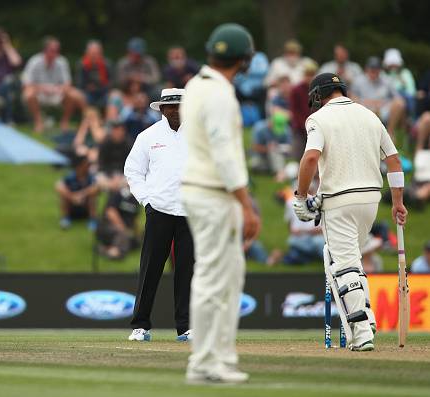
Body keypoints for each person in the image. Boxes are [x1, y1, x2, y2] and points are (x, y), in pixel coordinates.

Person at [293, 72, 407, 352]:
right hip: (370, 199)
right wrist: (397, 202)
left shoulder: (318, 119)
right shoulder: (370, 115)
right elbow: (394, 160)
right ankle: (367, 318)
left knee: (343, 265)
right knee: (352, 261)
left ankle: (360, 331)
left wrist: (301, 195)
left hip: (339, 200)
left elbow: (310, 157)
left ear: (318, 95)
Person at [180, 23, 261, 384]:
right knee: (214, 277)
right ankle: (203, 363)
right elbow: (224, 153)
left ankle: (222, 356)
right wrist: (246, 203)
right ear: (244, 60)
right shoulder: (219, 94)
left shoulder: (197, 86)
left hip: (206, 191)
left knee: (229, 277)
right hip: (212, 193)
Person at [124, 88, 194, 343]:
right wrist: (147, 200)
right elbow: (133, 171)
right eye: (170, 106)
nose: (175, 110)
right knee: (150, 269)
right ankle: (140, 325)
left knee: (187, 270)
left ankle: (185, 327)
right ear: (162, 109)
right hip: (159, 211)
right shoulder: (148, 136)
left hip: (190, 211)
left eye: (179, 105)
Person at [22, 36, 86, 133]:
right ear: (45, 50)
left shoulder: (62, 61)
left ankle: (68, 122)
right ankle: (38, 122)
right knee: (28, 94)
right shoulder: (34, 61)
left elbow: (68, 84)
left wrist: (57, 89)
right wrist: (43, 88)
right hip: (39, 94)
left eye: (57, 50)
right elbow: (26, 84)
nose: (55, 53)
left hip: (57, 93)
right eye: (52, 50)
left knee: (76, 95)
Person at [351, 56, 406, 138]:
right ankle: (359, 134)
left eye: (376, 69)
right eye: (371, 69)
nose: (373, 72)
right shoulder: (358, 80)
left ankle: (390, 133)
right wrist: (370, 104)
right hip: (364, 109)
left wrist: (383, 104)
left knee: (399, 103)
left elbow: (398, 97)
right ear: (366, 69)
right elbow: (352, 97)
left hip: (384, 110)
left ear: (380, 70)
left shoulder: (387, 80)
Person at [55, 155, 99, 230]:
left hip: (85, 207)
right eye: (86, 164)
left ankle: (92, 220)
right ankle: (66, 218)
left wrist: (81, 195)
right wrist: (72, 196)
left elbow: (96, 187)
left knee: (92, 195)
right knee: (63, 196)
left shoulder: (91, 177)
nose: (88, 166)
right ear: (80, 166)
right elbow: (58, 186)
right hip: (72, 206)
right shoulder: (70, 177)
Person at [96, 185, 139, 260]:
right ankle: (116, 252)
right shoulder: (117, 194)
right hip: (107, 226)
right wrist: (122, 227)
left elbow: (134, 219)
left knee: (136, 241)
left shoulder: (136, 200)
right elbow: (110, 212)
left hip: (123, 230)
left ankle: (105, 249)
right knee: (122, 234)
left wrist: (136, 233)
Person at [289, 60, 318, 160]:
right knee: (299, 155)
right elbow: (294, 110)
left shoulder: (317, 90)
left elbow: (317, 108)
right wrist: (303, 124)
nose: (309, 78)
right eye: (307, 74)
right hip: (299, 128)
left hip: (314, 126)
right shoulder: (296, 90)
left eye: (312, 75)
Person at [76, 40, 112, 109]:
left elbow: (112, 82)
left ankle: (109, 118)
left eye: (96, 53)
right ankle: (87, 117)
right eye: (92, 53)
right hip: (87, 93)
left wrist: (100, 88)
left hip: (103, 92)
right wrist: (87, 87)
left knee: (113, 96)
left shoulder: (107, 64)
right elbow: (79, 84)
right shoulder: (82, 65)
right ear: (87, 53)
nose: (94, 56)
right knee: (80, 96)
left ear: (101, 53)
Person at [97, 120, 131, 191]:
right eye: (115, 130)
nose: (118, 133)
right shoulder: (105, 143)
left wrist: (119, 176)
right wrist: (111, 176)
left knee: (130, 182)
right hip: (108, 175)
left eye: (120, 130)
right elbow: (102, 163)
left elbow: (130, 164)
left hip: (123, 175)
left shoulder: (129, 144)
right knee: (99, 180)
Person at [383, 48, 416, 115]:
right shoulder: (382, 74)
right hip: (386, 100)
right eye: (391, 65)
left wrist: (402, 83)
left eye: (395, 64)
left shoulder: (405, 73)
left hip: (404, 101)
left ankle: (410, 119)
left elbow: (411, 91)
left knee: (404, 99)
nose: (393, 67)